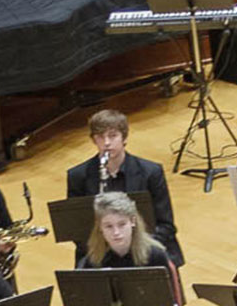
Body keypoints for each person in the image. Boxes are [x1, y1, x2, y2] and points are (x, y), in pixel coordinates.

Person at [64, 110, 182, 264]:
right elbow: (77, 230)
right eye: (100, 137)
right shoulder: (78, 176)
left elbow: (165, 225)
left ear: (124, 137)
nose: (106, 143)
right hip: (100, 254)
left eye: (112, 136)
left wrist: (134, 250)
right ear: (94, 140)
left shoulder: (151, 172)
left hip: (147, 252)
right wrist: (108, 252)